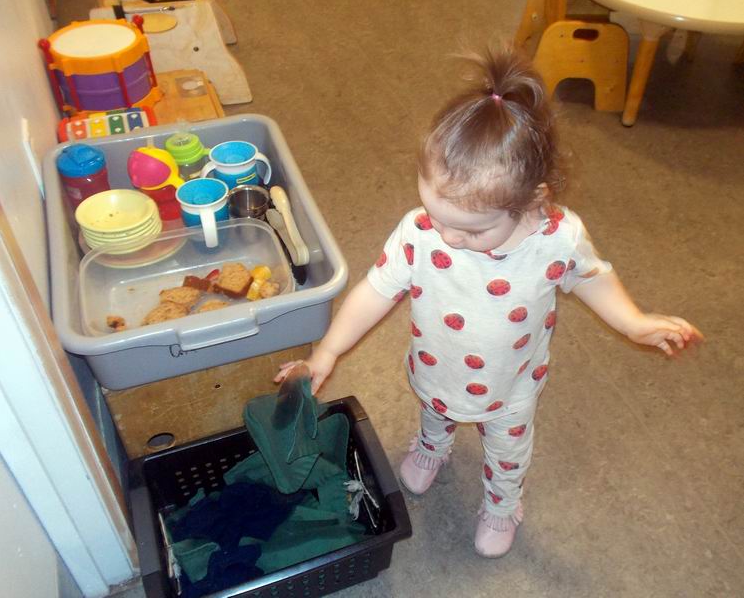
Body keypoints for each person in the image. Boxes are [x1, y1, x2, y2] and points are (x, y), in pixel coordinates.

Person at [274, 46, 702, 558]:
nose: (448, 237)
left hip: (511, 384)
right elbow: (375, 290)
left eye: (471, 229)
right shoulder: (420, 232)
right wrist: (328, 352)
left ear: (532, 199)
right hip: (437, 364)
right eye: (436, 214)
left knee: (508, 451)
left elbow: (592, 278)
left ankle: (502, 503)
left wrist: (633, 322)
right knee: (434, 409)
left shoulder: (556, 238)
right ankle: (434, 445)